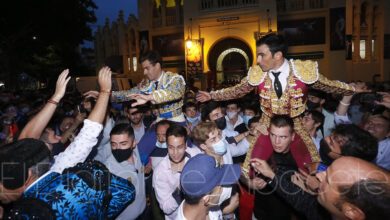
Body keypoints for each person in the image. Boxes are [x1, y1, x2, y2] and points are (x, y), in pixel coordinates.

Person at [197, 33, 361, 171]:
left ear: (278, 55)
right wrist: (212, 96)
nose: (258, 60)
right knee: (250, 167)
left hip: (295, 123)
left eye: (262, 55)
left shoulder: (302, 71)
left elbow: (327, 85)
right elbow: (237, 90)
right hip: (267, 122)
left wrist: (350, 89)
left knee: (311, 165)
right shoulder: (258, 73)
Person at [1, 67, 136, 219]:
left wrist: (56, 97)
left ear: (27, 176)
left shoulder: (27, 212)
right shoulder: (61, 173)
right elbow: (126, 192)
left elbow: (25, 141)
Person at [246, 115, 312, 219]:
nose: (277, 141)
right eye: (273, 135)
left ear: (293, 136)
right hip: (260, 214)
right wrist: (249, 182)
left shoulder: (300, 158)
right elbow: (241, 169)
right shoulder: (262, 152)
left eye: (283, 137)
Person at [153, 124, 199, 220]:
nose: (175, 152)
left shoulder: (196, 155)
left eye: (179, 147)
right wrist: (180, 189)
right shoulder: (160, 172)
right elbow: (166, 208)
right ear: (166, 145)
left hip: (199, 212)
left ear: (186, 145)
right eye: (171, 147)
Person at [176, 154, 241, 220]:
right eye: (221, 186)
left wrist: (226, 214)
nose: (227, 187)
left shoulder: (209, 204)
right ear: (207, 199)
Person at [103, 123, 146, 220]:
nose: (117, 148)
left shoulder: (138, 154)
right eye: (113, 144)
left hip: (144, 212)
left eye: (123, 144)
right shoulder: (108, 169)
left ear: (134, 143)